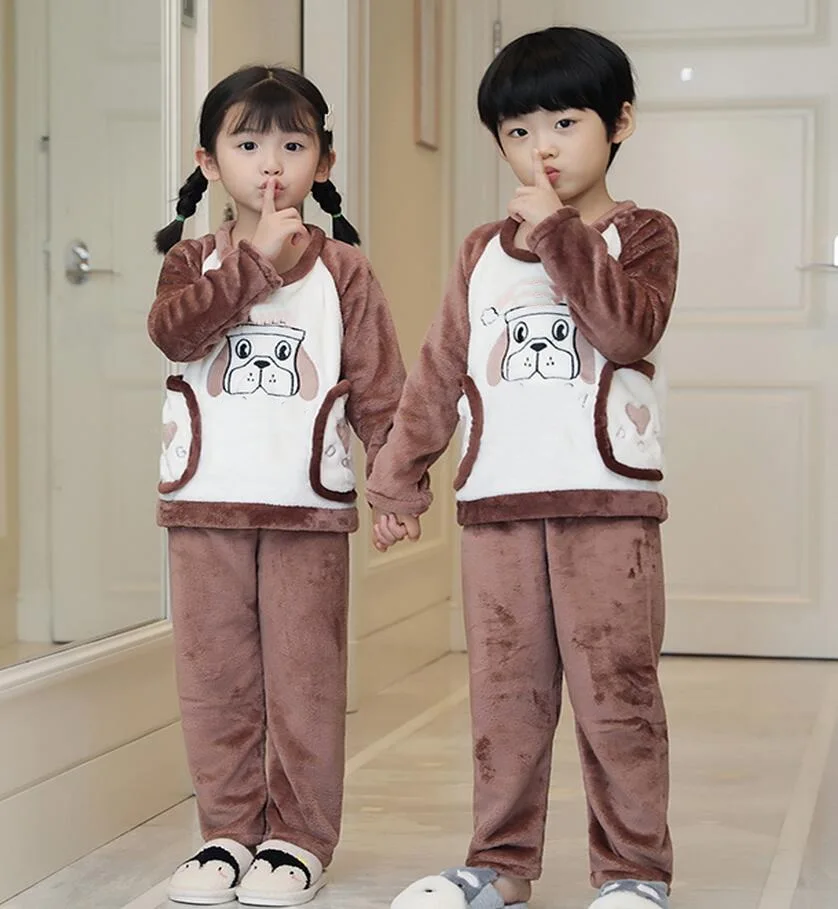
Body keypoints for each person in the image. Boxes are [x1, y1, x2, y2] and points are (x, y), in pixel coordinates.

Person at [367, 26, 679, 909]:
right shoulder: (479, 252)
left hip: (606, 505)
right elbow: (439, 370)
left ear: (620, 123)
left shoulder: (642, 234)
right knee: (505, 696)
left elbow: (627, 329)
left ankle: (634, 871)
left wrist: (559, 236)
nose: (541, 148)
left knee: (616, 694)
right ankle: (499, 864)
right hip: (497, 505)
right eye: (517, 130)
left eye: (565, 124)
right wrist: (399, 479)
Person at [148, 64, 405, 907]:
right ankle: (227, 830)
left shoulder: (346, 272)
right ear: (209, 161)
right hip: (204, 507)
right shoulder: (192, 261)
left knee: (305, 680)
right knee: (214, 679)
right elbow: (176, 334)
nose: (270, 164)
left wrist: (396, 488)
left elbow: (381, 391)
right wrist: (253, 262)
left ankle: (298, 838)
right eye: (248, 144)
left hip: (308, 511)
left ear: (322, 163)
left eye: (293, 145)